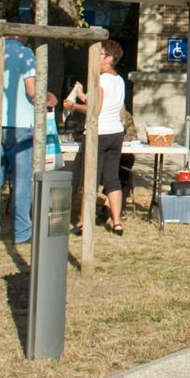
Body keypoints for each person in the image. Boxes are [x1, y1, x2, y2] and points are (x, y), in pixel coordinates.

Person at [0, 31, 42, 244]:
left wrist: (0, 109)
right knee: (22, 180)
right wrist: (47, 99)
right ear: (22, 35)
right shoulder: (26, 54)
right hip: (22, 125)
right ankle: (22, 231)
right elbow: (32, 91)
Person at [64, 40, 130, 235]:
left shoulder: (101, 79)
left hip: (99, 134)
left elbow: (96, 109)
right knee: (112, 179)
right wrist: (83, 95)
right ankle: (117, 223)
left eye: (99, 54)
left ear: (109, 58)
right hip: (116, 133)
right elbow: (105, 104)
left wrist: (73, 106)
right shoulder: (118, 79)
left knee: (89, 179)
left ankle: (84, 223)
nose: (95, 58)